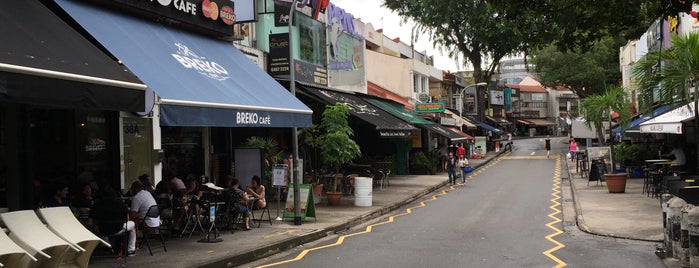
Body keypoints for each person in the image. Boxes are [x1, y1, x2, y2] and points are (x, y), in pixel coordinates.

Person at [91, 186, 136, 257]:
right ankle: (131, 250)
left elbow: (92, 222)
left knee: (93, 229)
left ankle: (106, 246)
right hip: (119, 228)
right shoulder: (120, 203)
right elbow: (126, 219)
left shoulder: (96, 205)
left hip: (103, 230)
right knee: (132, 224)